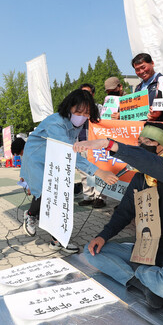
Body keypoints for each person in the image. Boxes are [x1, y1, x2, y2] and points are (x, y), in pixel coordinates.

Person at [74, 122, 163, 309]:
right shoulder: (139, 178)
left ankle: (141, 274)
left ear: (162, 145)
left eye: (148, 141)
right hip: (145, 251)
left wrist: (108, 144)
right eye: (139, 141)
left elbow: (151, 162)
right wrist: (103, 236)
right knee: (91, 250)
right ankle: (140, 283)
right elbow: (124, 212)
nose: (141, 145)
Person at [21, 89, 118, 254]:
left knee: (57, 194)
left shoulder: (74, 124)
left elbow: (69, 150)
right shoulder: (56, 123)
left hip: (55, 158)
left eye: (86, 113)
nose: (82, 116)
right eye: (78, 111)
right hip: (37, 158)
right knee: (47, 193)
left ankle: (56, 240)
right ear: (68, 107)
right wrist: (98, 172)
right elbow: (70, 151)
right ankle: (32, 217)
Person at [76, 83, 107, 209]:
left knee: (98, 171)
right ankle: (88, 196)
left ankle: (100, 197)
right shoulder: (75, 109)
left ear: (93, 94)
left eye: (88, 92)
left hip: (96, 144)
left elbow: (106, 122)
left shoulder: (99, 108)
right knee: (84, 172)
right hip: (82, 143)